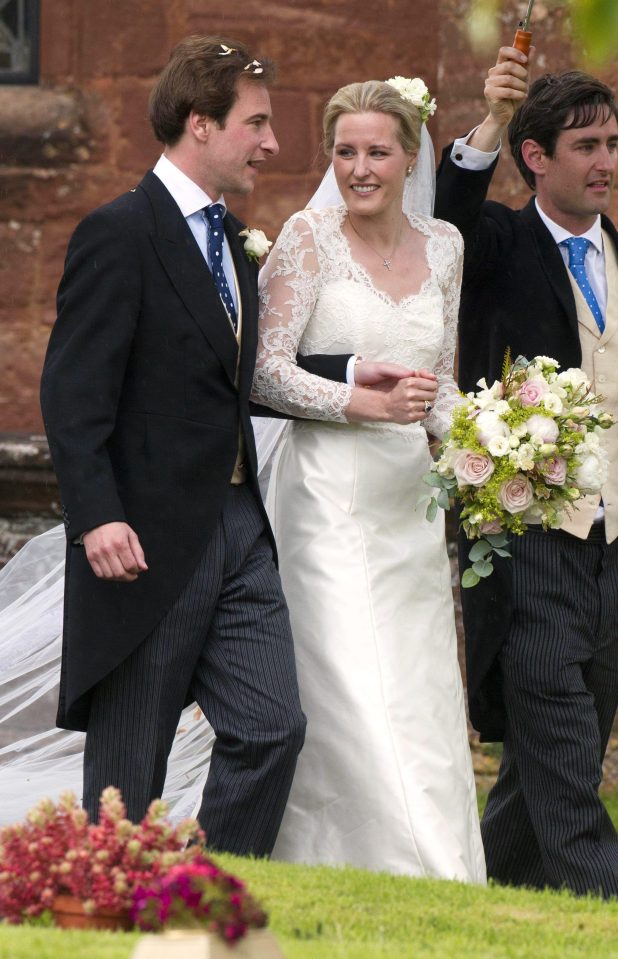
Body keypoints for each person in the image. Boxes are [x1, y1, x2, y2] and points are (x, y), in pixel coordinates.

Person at [36, 34, 365, 855]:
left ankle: (206, 895)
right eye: (256, 124)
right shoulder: (119, 232)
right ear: (199, 123)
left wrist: (358, 375)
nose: (273, 144)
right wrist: (96, 516)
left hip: (239, 531)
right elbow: (73, 394)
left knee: (272, 728)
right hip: (144, 539)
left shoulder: (232, 240)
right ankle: (106, 917)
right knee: (128, 780)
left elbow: (234, 370)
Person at [250, 78, 486, 882]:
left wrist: (494, 451)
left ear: (410, 154)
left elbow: (443, 385)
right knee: (349, 680)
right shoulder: (305, 238)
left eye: (376, 151)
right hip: (323, 497)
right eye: (345, 151)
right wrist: (359, 400)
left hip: (408, 504)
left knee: (418, 684)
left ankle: (445, 867)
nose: (359, 167)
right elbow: (267, 372)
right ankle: (368, 860)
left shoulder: (447, 244)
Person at [434, 48, 618, 896]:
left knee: (559, 742)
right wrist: (489, 123)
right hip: (532, 534)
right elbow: (449, 210)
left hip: (614, 543)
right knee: (566, 744)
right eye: (586, 145)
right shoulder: (499, 242)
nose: (607, 161)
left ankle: (489, 888)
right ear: (538, 156)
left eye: (613, 143)